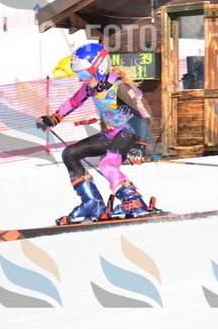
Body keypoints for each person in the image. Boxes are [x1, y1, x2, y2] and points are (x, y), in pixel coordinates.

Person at [36, 43, 153, 225]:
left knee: (107, 165)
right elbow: (74, 102)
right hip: (113, 133)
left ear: (100, 69)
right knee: (70, 153)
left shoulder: (120, 87)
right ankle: (92, 203)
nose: (81, 79)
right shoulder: (91, 87)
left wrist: (140, 145)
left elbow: (145, 115)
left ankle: (134, 201)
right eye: (78, 75)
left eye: (84, 75)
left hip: (131, 132)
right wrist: (54, 118)